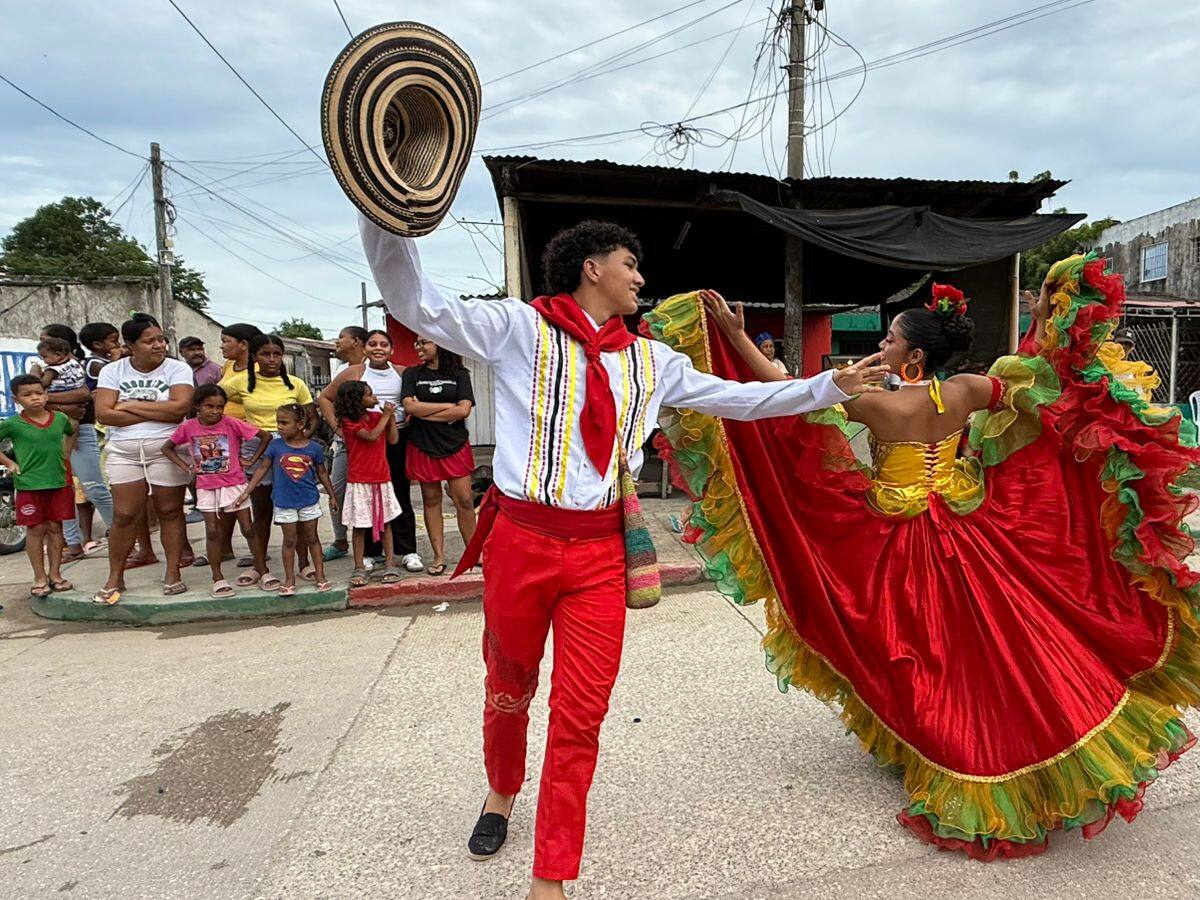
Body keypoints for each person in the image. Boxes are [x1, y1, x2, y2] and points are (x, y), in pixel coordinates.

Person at [360, 214, 883, 899]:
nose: (640, 277)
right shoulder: (519, 328)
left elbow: (742, 401)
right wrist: (385, 213)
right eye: (629, 263)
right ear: (592, 268)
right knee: (509, 685)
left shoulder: (653, 361)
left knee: (581, 713)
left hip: (602, 552)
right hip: (522, 540)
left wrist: (830, 386)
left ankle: (551, 876)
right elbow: (414, 303)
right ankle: (501, 790)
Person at [652, 262, 1200, 861]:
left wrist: (733, 338)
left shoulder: (870, 401)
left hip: (894, 536)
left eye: (888, 340)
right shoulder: (969, 389)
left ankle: (946, 739)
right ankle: (998, 727)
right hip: (965, 525)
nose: (880, 346)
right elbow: (1046, 380)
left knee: (913, 647)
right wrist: (1045, 318)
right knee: (989, 643)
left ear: (912, 353)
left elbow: (783, 394)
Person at [92, 313, 194, 604]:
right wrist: (157, 408)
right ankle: (115, 576)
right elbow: (104, 413)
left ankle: (173, 573)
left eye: (161, 339)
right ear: (131, 345)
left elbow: (178, 410)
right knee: (124, 515)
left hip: (167, 449)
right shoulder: (113, 371)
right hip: (123, 450)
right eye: (149, 341)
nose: (158, 345)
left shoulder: (177, 369)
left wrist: (131, 404)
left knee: (170, 511)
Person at [318, 328, 422, 572]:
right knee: (365, 496)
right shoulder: (355, 372)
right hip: (364, 442)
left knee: (398, 494)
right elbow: (325, 398)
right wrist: (338, 428)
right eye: (373, 344)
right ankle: (371, 553)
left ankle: (406, 550)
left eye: (384, 344)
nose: (378, 348)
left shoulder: (402, 373)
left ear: (392, 350)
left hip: (397, 436)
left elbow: (413, 403)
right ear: (365, 348)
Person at [222, 333, 316, 590]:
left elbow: (312, 416)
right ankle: (259, 564)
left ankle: (304, 562)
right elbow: (213, 400)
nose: (272, 359)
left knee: (296, 508)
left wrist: (302, 439)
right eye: (265, 354)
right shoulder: (239, 382)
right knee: (261, 510)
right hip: (257, 447)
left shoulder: (295, 384)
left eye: (277, 354)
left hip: (292, 448)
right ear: (254, 356)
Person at [162, 384, 271, 598]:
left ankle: (262, 570)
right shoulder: (189, 427)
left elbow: (264, 436)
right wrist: (186, 467)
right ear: (197, 407)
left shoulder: (231, 423)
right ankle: (217, 577)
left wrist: (251, 460)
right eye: (209, 406)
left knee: (248, 528)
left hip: (235, 483)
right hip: (206, 486)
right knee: (212, 532)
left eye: (220, 407)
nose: (215, 411)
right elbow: (167, 447)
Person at [238, 403, 336, 596]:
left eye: (284, 422)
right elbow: (263, 468)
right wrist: (247, 491)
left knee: (312, 539)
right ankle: (289, 578)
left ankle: (320, 575)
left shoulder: (314, 448)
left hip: (309, 500)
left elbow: (322, 473)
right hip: (284, 502)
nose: (279, 427)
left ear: (300, 424)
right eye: (278, 423)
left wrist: (332, 496)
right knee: (289, 540)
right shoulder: (275, 446)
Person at [401, 337, 477, 575]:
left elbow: (464, 410)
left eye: (425, 342)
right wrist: (447, 408)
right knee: (431, 500)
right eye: (416, 343)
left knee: (464, 499)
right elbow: (410, 408)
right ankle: (439, 556)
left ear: (441, 345)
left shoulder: (460, 374)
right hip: (423, 444)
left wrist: (425, 410)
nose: (418, 347)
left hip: (455, 443)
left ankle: (474, 553)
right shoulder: (412, 375)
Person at [0, 375, 76, 597]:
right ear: (16, 399)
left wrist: (66, 455)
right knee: (35, 530)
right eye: (27, 394)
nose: (35, 398)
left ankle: (55, 574)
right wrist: (9, 462)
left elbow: (71, 432)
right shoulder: (13, 424)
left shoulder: (60, 419)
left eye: (39, 393)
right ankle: (39, 577)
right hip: (29, 485)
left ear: (46, 395)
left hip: (59, 482)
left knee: (55, 527)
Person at [334, 380, 403, 587]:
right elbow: (371, 437)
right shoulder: (348, 421)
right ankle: (359, 565)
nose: (374, 398)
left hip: (381, 477)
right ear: (357, 400)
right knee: (360, 525)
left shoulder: (375, 417)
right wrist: (386, 416)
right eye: (369, 394)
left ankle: (390, 561)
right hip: (360, 479)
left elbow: (393, 440)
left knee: (385, 522)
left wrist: (389, 421)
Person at [318, 326, 368, 561]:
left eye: (341, 338)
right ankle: (340, 541)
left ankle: (373, 545)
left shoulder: (376, 368)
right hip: (348, 445)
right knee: (337, 491)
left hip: (375, 444)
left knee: (374, 494)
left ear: (357, 341)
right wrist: (338, 428)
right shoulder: (344, 371)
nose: (337, 342)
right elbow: (324, 398)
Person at [216, 322, 263, 566]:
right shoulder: (227, 367)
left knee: (251, 495)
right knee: (226, 492)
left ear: (243, 345)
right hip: (224, 438)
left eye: (226, 341)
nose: (222, 345)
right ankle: (224, 547)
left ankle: (258, 548)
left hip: (248, 437)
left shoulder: (260, 368)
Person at [34, 337, 88, 420]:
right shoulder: (73, 363)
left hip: (57, 393)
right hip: (76, 396)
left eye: (45, 357)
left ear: (58, 355)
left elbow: (44, 383)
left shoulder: (53, 370)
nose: (43, 361)